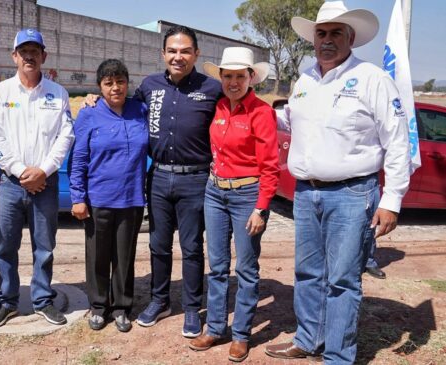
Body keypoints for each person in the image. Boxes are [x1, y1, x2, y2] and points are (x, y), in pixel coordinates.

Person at [264, 2, 411, 363]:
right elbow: (292, 122)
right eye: (321, 33)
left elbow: (397, 141)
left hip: (352, 194)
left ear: (351, 37)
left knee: (342, 280)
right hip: (306, 193)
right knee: (307, 273)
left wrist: (391, 199)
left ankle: (338, 356)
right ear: (313, 38)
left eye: (335, 33)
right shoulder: (305, 80)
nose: (327, 40)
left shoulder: (372, 78)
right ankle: (308, 339)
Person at [188, 47, 279, 362]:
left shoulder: (262, 113)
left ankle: (240, 334)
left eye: (240, 76)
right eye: (228, 76)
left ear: (251, 77)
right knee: (217, 266)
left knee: (246, 268)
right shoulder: (218, 107)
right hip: (215, 192)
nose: (233, 81)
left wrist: (261, 207)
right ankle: (214, 327)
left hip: (247, 196)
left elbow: (270, 166)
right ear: (222, 78)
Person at [133, 25, 222, 338]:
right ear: (163, 54)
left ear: (196, 54)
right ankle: (159, 301)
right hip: (157, 177)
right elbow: (124, 112)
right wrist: (93, 100)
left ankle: (191, 308)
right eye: (172, 50)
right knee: (158, 245)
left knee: (192, 247)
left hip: (195, 180)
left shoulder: (213, 89)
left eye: (185, 51)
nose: (178, 56)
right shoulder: (149, 86)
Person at [0, 28, 74, 327]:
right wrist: (20, 171)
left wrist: (44, 170)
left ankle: (42, 300)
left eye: (35, 51)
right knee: (6, 246)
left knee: (44, 246)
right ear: (14, 57)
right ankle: (8, 301)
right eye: (23, 51)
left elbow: (66, 136)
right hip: (11, 183)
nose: (29, 56)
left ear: (43, 56)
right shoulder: (0, 93)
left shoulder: (58, 93)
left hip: (45, 183)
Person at [69, 59, 148, 332]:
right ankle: (99, 306)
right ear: (100, 87)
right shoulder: (89, 113)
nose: (116, 87)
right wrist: (78, 197)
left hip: (131, 198)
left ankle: (122, 307)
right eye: (108, 83)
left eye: (120, 81)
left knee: (125, 257)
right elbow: (78, 158)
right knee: (98, 257)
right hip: (98, 198)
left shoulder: (141, 110)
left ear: (128, 83)